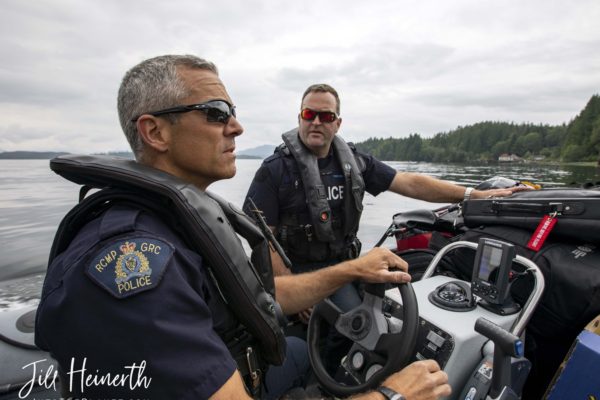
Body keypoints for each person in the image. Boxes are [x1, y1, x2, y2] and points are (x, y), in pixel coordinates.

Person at [35, 55, 451, 400]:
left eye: (231, 113)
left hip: (244, 350)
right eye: (217, 113)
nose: (236, 127)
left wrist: (352, 269)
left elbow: (252, 293)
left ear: (337, 123)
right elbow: (263, 239)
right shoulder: (137, 263)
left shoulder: (175, 220)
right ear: (155, 131)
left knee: (302, 352)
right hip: (238, 373)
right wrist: (392, 395)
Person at [243, 83, 528, 313]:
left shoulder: (355, 162)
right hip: (298, 273)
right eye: (309, 114)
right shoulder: (274, 170)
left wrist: (475, 194)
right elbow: (260, 239)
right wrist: (292, 289)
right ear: (299, 118)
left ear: (338, 123)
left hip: (345, 265)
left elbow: (410, 183)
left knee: (373, 320)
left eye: (326, 116)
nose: (317, 122)